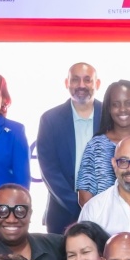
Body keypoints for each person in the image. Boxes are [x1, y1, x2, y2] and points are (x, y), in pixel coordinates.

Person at [37, 62, 102, 233]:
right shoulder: (50, 120)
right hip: (62, 213)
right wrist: (77, 204)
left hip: (105, 211)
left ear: (97, 84)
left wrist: (99, 205)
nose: (81, 85)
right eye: (75, 80)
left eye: (87, 80)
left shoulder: (109, 116)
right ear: (67, 83)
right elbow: (49, 170)